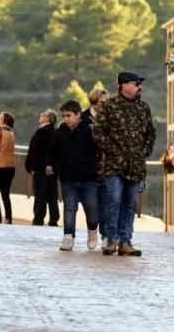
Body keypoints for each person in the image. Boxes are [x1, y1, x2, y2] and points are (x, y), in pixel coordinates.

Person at [92, 71, 156, 256]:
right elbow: (98, 132)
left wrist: (143, 152)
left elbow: (150, 134)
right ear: (124, 85)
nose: (139, 87)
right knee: (114, 200)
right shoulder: (109, 107)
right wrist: (113, 151)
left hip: (135, 166)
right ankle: (111, 239)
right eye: (136, 84)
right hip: (114, 165)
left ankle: (125, 241)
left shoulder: (143, 108)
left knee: (129, 204)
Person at [47, 100, 100, 251]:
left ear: (78, 115)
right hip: (68, 177)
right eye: (63, 116)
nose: (66, 119)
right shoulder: (60, 132)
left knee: (91, 207)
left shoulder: (89, 129)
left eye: (69, 115)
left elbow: (100, 148)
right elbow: (53, 150)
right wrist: (50, 164)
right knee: (69, 207)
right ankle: (68, 237)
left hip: (89, 178)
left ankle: (92, 231)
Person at [25, 109, 59, 227]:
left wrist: (32, 167)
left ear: (48, 118)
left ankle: (38, 219)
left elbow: (36, 152)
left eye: (43, 114)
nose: (41, 115)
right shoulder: (55, 132)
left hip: (40, 169)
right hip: (52, 170)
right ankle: (53, 220)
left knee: (40, 195)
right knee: (52, 195)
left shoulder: (41, 132)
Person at [85, 88, 109, 243]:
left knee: (104, 204)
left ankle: (106, 236)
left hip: (106, 168)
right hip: (88, 168)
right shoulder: (83, 118)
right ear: (94, 103)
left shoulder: (111, 118)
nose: (106, 105)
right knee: (91, 205)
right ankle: (92, 229)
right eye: (103, 102)